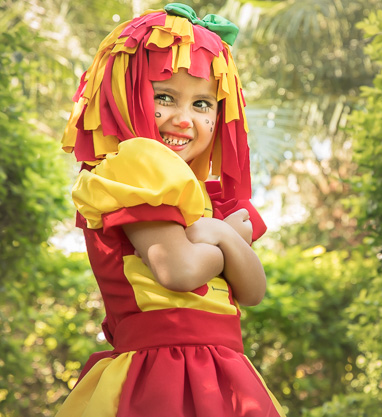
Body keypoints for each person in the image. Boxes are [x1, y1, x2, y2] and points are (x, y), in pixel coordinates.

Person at [55, 3, 285, 416]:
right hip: (161, 378)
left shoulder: (206, 198)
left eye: (203, 104)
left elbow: (253, 292)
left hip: (223, 374)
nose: (183, 118)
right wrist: (224, 236)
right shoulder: (136, 168)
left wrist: (217, 233)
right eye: (164, 97)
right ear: (124, 97)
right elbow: (178, 271)